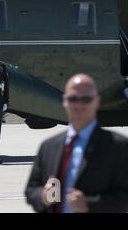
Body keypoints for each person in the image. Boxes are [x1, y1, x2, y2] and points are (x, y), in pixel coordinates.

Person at [25, 74, 128, 213]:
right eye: (73, 99)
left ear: (97, 102)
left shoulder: (118, 146)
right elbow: (31, 190)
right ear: (64, 101)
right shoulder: (49, 147)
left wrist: (89, 204)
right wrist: (43, 197)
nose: (79, 105)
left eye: (85, 99)